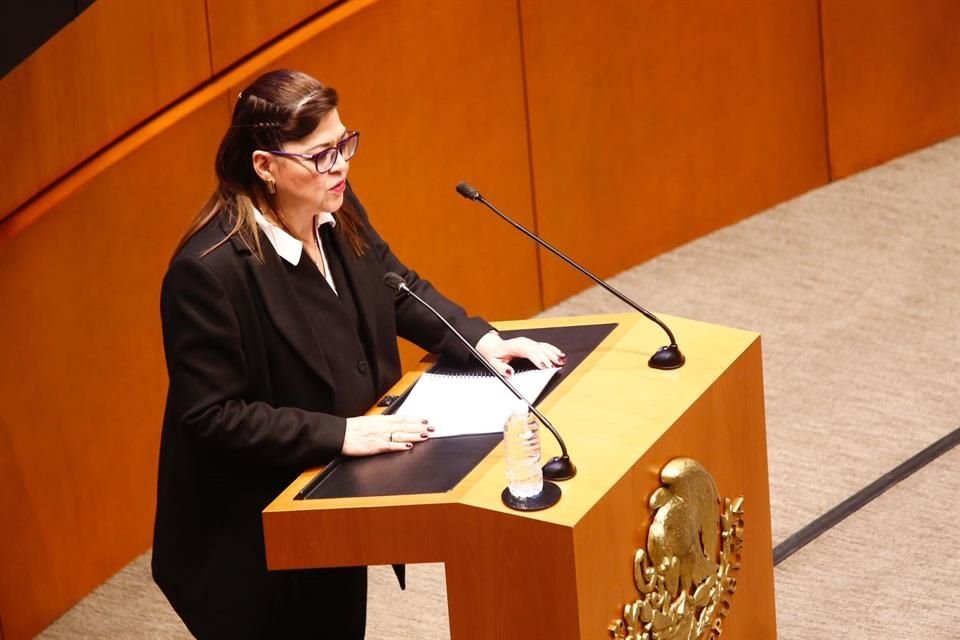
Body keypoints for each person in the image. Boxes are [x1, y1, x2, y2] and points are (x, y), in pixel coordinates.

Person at [151, 68, 565, 639]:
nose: (340, 165)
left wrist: (482, 340)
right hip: (249, 532)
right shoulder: (209, 272)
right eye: (320, 154)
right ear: (265, 165)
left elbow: (394, 282)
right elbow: (212, 416)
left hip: (331, 495)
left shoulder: (334, 206)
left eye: (343, 144)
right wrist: (342, 434)